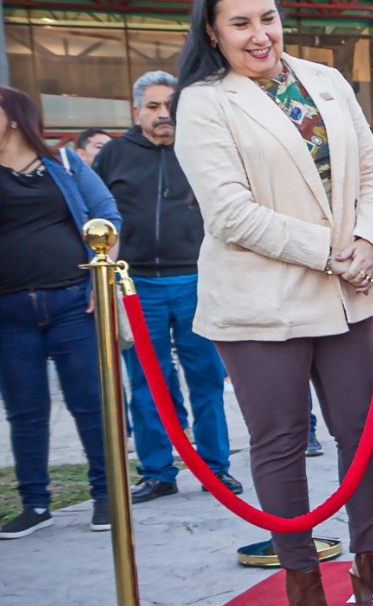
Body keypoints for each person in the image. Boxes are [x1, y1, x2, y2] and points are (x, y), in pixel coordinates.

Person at [174, 0, 373, 606]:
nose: (260, 35)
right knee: (280, 442)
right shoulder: (203, 102)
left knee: (362, 435)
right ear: (212, 33)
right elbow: (230, 213)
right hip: (262, 300)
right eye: (241, 23)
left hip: (349, 290)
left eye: (268, 17)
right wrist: (334, 252)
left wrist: (369, 241)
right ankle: (302, 577)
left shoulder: (325, 79)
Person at [93, 71, 244, 505]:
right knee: (146, 382)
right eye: (154, 106)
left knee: (207, 377)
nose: (163, 114)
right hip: (136, 285)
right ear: (136, 111)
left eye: (170, 106)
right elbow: (95, 215)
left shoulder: (202, 148)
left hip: (197, 280)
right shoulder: (113, 156)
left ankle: (216, 468)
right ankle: (157, 471)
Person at [0, 85, 118, 539]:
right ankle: (35, 503)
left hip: (72, 303)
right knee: (25, 411)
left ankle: (106, 496)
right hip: (7, 313)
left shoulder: (64, 163)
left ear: (14, 115)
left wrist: (101, 278)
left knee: (90, 403)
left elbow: (107, 215)